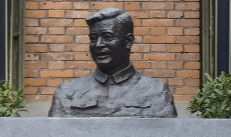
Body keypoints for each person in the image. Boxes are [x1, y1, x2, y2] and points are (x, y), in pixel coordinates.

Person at [48, 7, 177, 117]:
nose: (98, 44)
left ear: (128, 41)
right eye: (93, 38)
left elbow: (167, 135)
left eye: (107, 37)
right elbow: (54, 134)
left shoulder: (156, 92)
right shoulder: (67, 92)